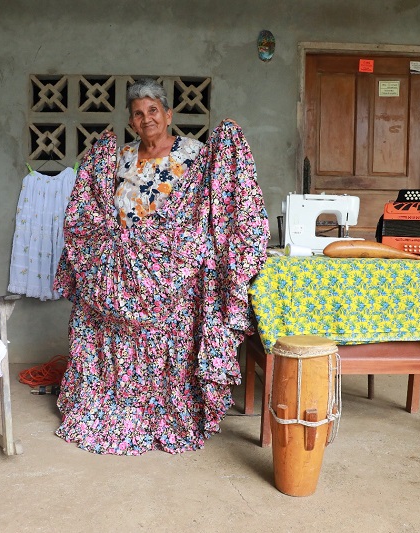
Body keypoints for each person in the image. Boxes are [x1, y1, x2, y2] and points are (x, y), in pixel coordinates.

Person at [53, 78, 269, 455]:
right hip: (120, 274)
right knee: (105, 331)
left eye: (153, 110)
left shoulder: (196, 157)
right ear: (131, 121)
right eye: (138, 113)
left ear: (168, 114)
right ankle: (113, 406)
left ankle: (164, 414)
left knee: (168, 344)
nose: (146, 118)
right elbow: (98, 208)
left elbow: (209, 210)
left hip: (172, 277)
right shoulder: (119, 159)